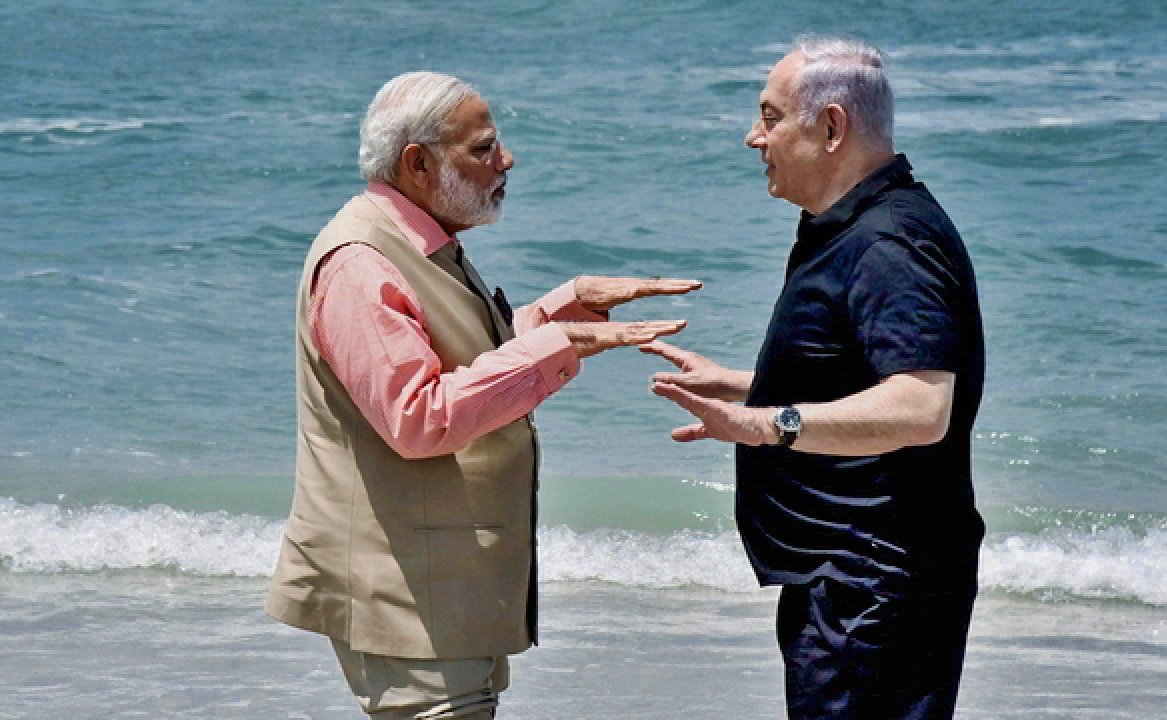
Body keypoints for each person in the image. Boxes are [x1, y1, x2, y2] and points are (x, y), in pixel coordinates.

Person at [266, 70, 698, 720]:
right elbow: (418, 416)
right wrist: (558, 350)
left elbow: (457, 360)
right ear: (417, 163)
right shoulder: (360, 263)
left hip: (440, 585)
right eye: (484, 148)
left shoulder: (421, 240)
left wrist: (562, 313)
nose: (507, 159)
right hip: (404, 593)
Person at [644, 35, 985, 720]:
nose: (752, 137)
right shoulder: (856, 225)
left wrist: (768, 423)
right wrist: (750, 385)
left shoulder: (889, 241)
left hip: (875, 589)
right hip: (856, 582)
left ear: (832, 127)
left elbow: (921, 406)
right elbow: (865, 373)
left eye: (770, 118)